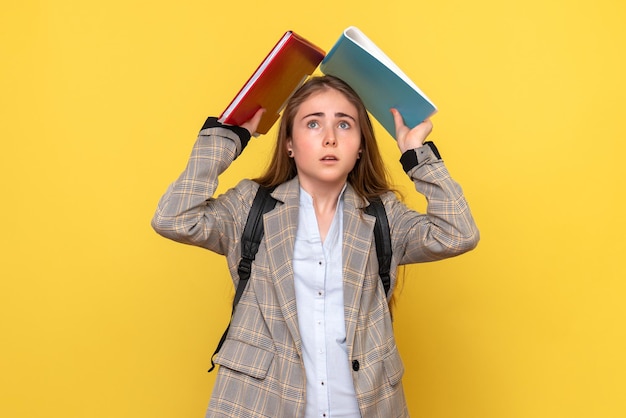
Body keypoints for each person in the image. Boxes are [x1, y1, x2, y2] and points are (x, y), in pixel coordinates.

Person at [152, 75, 479, 418]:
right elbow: (173, 219)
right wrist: (227, 140)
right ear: (289, 144)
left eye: (344, 124)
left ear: (361, 146)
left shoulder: (384, 215)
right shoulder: (250, 206)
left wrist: (417, 155)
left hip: (365, 406)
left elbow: (457, 233)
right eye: (313, 123)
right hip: (258, 405)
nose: (330, 138)